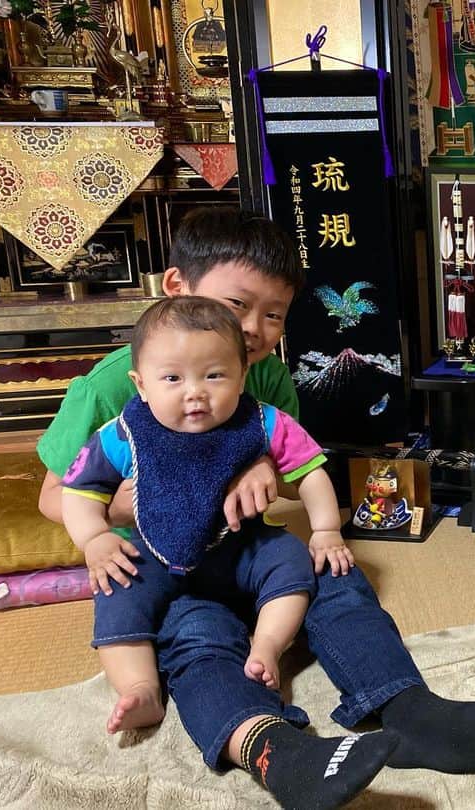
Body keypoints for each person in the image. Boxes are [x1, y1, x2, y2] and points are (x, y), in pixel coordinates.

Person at [37, 208, 475, 807]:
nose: (254, 329)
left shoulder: (265, 376)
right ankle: (274, 751)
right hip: (166, 565)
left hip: (250, 551)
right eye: (237, 304)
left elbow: (295, 468)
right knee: (197, 637)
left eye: (274, 314)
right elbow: (54, 495)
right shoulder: (112, 386)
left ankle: (405, 706)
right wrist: (123, 511)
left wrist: (263, 466)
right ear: (177, 287)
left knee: (335, 575)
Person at [62, 296, 355, 727]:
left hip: (241, 546)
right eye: (172, 378)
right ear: (141, 384)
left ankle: (267, 645)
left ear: (242, 375)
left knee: (291, 560)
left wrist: (326, 529)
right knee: (114, 589)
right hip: (153, 552)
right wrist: (94, 537)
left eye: (214, 375)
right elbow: (79, 490)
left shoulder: (262, 422)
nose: (195, 391)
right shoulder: (123, 434)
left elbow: (310, 471)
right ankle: (139, 688)